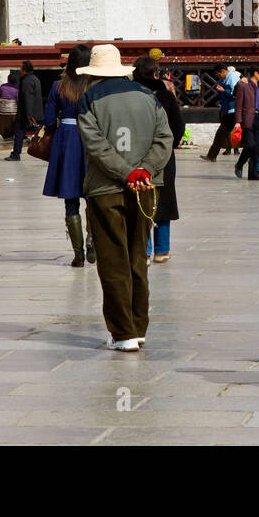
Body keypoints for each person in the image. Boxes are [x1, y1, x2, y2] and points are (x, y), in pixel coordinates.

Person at [75, 44, 173, 351]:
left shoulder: (88, 99)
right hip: (145, 187)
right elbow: (165, 138)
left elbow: (96, 145)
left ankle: (123, 333)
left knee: (113, 261)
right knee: (137, 259)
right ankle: (139, 327)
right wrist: (143, 170)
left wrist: (125, 172)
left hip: (106, 189)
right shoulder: (149, 97)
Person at [43, 43, 96, 267]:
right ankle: (92, 243)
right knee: (93, 196)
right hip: (91, 138)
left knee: (71, 200)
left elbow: (48, 120)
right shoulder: (94, 86)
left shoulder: (58, 86)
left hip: (66, 138)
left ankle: (78, 254)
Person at [133, 56, 184, 264]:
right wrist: (168, 146)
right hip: (163, 154)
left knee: (141, 199)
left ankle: (144, 251)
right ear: (155, 73)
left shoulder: (131, 94)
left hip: (137, 154)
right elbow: (178, 127)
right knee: (163, 200)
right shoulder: (165, 95)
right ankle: (162, 250)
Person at [234, 65, 259, 180]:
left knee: (257, 148)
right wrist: (237, 121)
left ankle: (252, 174)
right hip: (248, 119)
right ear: (255, 73)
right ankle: (239, 164)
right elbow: (238, 104)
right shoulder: (243, 85)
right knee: (250, 145)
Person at [200, 65, 240, 161]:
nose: (219, 77)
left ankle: (212, 156)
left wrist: (224, 90)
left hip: (234, 110)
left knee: (222, 133)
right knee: (221, 134)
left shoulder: (232, 77)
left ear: (222, 71)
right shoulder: (227, 78)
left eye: (218, 75)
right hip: (229, 110)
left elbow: (237, 93)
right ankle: (211, 156)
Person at [6, 60, 43, 161]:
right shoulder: (35, 79)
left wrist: (29, 115)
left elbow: (28, 98)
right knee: (39, 133)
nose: (20, 70)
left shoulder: (27, 81)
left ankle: (16, 154)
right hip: (35, 111)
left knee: (19, 133)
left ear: (24, 70)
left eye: (21, 68)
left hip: (26, 113)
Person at [0, 71, 20, 140]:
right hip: (13, 110)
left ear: (8, 79)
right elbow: (18, 99)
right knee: (12, 126)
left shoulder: (2, 87)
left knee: (2, 126)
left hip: (3, 110)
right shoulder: (16, 88)